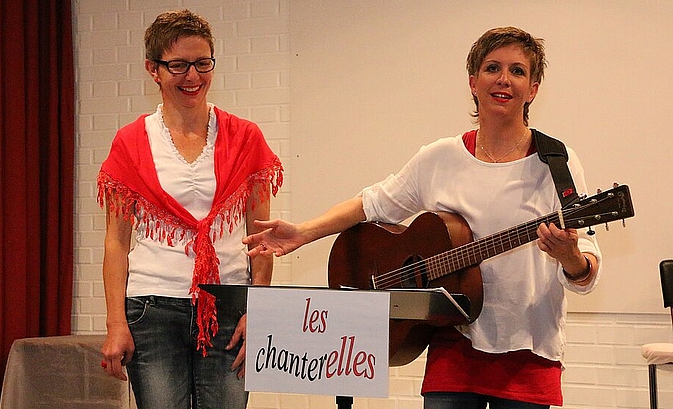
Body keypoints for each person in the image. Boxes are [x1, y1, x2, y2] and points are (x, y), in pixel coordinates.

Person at [244, 26, 600, 408]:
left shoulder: (557, 163)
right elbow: (371, 204)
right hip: (454, 342)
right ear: (473, 81)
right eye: (492, 67)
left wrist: (570, 258)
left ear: (532, 89)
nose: (503, 79)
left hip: (529, 351)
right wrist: (302, 232)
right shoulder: (440, 158)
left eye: (518, 71)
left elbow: (587, 274)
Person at [97, 9, 283, 409]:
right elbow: (116, 242)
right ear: (154, 69)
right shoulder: (130, 141)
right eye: (178, 65)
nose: (193, 77)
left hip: (229, 304)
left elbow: (261, 237)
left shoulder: (245, 136)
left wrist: (259, 309)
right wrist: (116, 324)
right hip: (152, 306)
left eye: (203, 63)